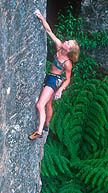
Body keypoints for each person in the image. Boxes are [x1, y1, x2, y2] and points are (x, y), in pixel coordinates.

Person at [29, 10, 80, 140]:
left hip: (55, 81)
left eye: (68, 43)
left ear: (69, 50)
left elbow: (68, 79)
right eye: (67, 41)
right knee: (48, 104)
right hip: (49, 76)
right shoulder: (59, 46)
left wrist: (60, 90)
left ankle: (39, 131)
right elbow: (49, 31)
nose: (66, 41)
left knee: (40, 105)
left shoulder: (67, 63)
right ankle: (47, 124)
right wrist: (41, 17)